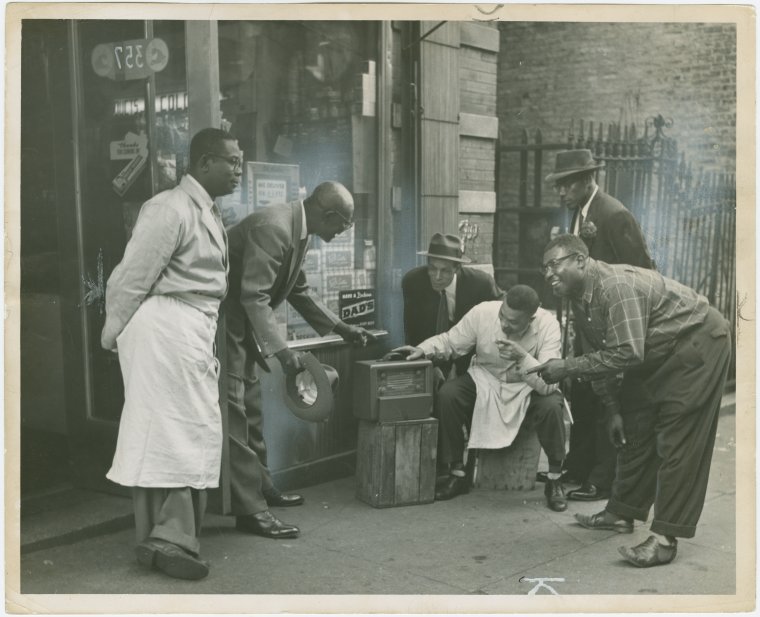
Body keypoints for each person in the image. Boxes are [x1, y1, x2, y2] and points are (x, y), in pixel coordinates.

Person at [529, 234, 731, 567]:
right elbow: (600, 354)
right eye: (544, 268)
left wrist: (566, 368)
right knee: (633, 429)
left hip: (697, 342)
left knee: (676, 440)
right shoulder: (581, 297)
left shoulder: (614, 287)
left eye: (555, 264)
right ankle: (621, 513)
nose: (548, 274)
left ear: (580, 260)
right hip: (654, 351)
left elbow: (625, 353)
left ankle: (666, 538)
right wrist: (613, 410)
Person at [101, 128, 240, 580]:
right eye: (230, 162)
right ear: (202, 163)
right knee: (184, 429)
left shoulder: (203, 209)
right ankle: (171, 537)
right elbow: (131, 276)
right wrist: (112, 333)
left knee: (169, 430)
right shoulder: (170, 207)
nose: (237, 170)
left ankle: (161, 537)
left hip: (186, 328)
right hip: (166, 328)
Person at [224, 181, 376, 539]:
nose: (342, 232)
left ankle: (261, 487)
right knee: (235, 417)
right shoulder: (275, 228)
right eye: (343, 224)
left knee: (251, 410)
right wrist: (283, 351)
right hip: (225, 327)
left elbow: (299, 290)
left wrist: (341, 327)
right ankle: (251, 510)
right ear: (328, 214)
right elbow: (254, 297)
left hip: (243, 328)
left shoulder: (299, 227)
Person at [393, 285, 568, 512]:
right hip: (486, 378)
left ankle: (554, 478)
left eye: (513, 322)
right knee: (449, 395)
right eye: (503, 316)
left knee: (552, 405)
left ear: (531, 318)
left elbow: (547, 383)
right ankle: (457, 472)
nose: (504, 324)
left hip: (526, 385)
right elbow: (450, 341)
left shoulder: (548, 325)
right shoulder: (483, 312)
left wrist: (522, 358)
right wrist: (423, 349)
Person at [546, 148, 654, 502]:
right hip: (588, 318)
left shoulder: (613, 214)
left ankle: (602, 479)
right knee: (585, 391)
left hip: (613, 320)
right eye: (559, 185)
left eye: (567, 184)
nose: (561, 192)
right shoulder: (578, 213)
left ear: (588, 179)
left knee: (609, 395)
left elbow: (640, 272)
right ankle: (580, 467)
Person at [402, 232, 501, 378]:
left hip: (472, 362)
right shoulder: (413, 282)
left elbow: (501, 315)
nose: (437, 276)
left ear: (457, 268)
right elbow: (413, 330)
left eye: (445, 270)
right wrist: (427, 363)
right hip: (429, 355)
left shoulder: (481, 284)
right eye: (432, 268)